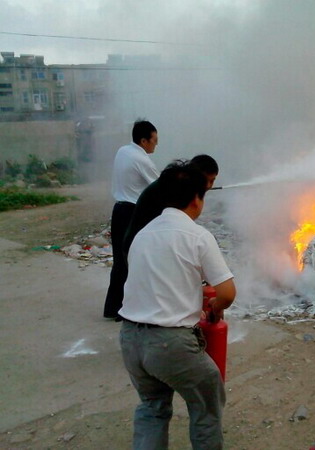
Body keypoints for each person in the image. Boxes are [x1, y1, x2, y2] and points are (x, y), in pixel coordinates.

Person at [118, 161, 236, 450]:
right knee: (207, 401)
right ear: (197, 199)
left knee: (153, 407)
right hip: (170, 344)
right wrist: (214, 306)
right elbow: (227, 293)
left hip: (131, 339)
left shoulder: (143, 235)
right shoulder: (197, 236)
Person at [103, 120, 160, 320]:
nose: (156, 144)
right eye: (154, 140)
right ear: (144, 141)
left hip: (119, 211)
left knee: (121, 261)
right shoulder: (141, 159)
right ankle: (129, 309)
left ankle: (113, 308)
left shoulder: (123, 151)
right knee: (135, 261)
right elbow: (161, 186)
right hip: (132, 214)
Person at [122, 154, 219, 258]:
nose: (208, 186)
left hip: (143, 244)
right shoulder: (174, 189)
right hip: (140, 246)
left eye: (212, 181)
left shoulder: (176, 185)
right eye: (207, 181)